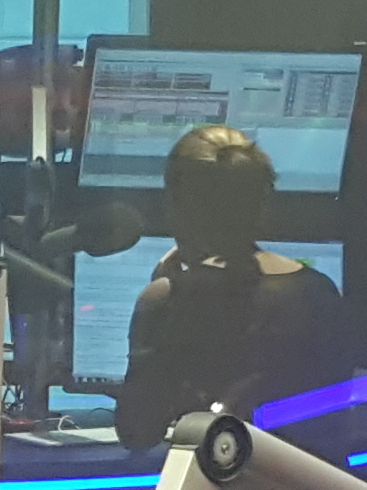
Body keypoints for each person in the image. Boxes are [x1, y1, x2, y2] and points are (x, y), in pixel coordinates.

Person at [111, 121, 346, 445]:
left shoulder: (169, 299)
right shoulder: (319, 292)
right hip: (309, 478)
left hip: (216, 476)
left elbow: (137, 433)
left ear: (179, 206)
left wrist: (159, 295)